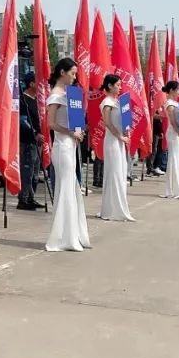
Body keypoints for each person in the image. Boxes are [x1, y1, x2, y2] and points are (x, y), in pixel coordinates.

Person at [45, 58, 91, 252]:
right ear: (62, 72)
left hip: (71, 145)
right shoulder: (55, 95)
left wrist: (79, 131)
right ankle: (63, 237)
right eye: (72, 73)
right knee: (65, 188)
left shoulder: (69, 94)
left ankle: (72, 234)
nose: (74, 77)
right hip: (62, 146)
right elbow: (51, 124)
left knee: (72, 187)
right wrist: (71, 132)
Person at [97, 74, 134, 221]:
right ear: (110, 85)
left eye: (120, 85)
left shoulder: (118, 102)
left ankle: (117, 207)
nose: (120, 87)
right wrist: (120, 136)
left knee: (120, 172)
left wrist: (126, 131)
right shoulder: (107, 102)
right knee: (113, 173)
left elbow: (122, 121)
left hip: (120, 140)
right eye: (117, 85)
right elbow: (108, 123)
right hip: (112, 141)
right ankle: (111, 209)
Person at [17, 73, 45, 210]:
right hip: (28, 140)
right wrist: (34, 133)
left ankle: (31, 196)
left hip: (37, 141)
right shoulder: (24, 100)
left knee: (35, 172)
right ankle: (23, 198)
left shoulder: (37, 100)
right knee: (27, 170)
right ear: (31, 84)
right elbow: (23, 121)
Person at [160, 82, 179, 199]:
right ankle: (173, 190)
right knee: (174, 159)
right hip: (173, 133)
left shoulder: (177, 103)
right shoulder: (169, 104)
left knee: (177, 159)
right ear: (171, 90)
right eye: (177, 90)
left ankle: (176, 188)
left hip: (178, 133)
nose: (178, 92)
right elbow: (173, 121)